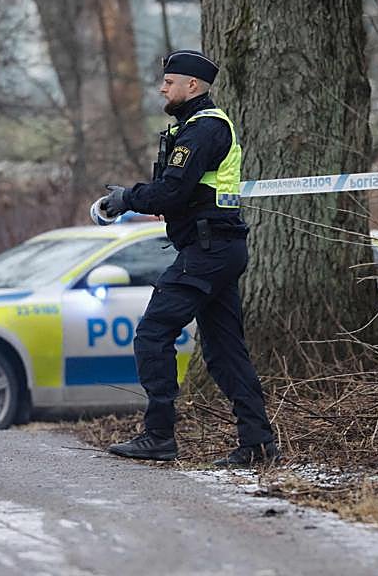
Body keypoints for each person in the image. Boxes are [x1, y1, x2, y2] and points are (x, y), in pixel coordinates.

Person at [100, 50, 279, 467]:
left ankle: (159, 436)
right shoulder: (194, 127)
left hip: (208, 250)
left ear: (192, 85)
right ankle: (258, 443)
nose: (162, 89)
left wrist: (126, 198)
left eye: (169, 82)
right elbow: (182, 192)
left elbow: (172, 191)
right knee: (224, 351)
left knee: (152, 333)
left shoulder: (203, 129)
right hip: (216, 248)